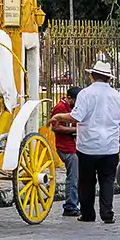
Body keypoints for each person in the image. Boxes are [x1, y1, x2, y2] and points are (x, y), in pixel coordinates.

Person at [71, 57, 120, 224]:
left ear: (92, 76)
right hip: (110, 148)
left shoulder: (85, 94)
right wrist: (119, 141)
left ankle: (87, 214)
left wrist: (57, 117)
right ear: (109, 78)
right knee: (107, 181)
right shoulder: (117, 96)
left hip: (87, 147)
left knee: (86, 182)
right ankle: (107, 214)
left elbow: (76, 117)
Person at [50, 86, 80, 217]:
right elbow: (55, 127)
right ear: (68, 98)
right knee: (73, 178)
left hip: (74, 146)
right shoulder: (60, 108)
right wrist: (74, 131)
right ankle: (70, 205)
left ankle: (74, 203)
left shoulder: (71, 108)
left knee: (77, 177)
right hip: (66, 147)